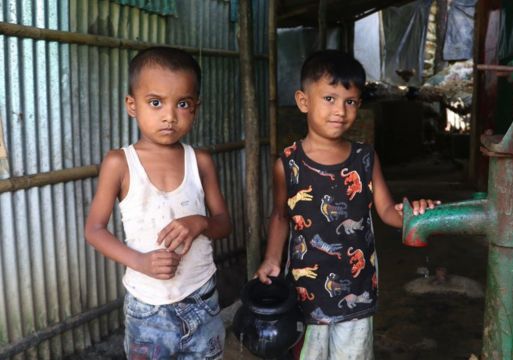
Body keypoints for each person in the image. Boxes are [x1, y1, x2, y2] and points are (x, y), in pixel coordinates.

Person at [255, 49, 439, 359]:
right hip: (305, 292)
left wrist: (415, 212)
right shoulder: (287, 163)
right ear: (303, 101)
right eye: (329, 98)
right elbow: (280, 215)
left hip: (358, 287)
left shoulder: (365, 158)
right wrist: (272, 259)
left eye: (350, 101)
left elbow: (386, 212)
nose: (340, 110)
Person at [84, 46, 232, 359]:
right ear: (132, 105)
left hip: (202, 299)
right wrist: (140, 262)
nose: (169, 115)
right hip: (147, 309)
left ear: (195, 107)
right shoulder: (119, 163)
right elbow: (94, 230)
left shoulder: (200, 161)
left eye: (182, 104)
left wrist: (200, 222)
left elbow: (223, 224)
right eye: (155, 102)